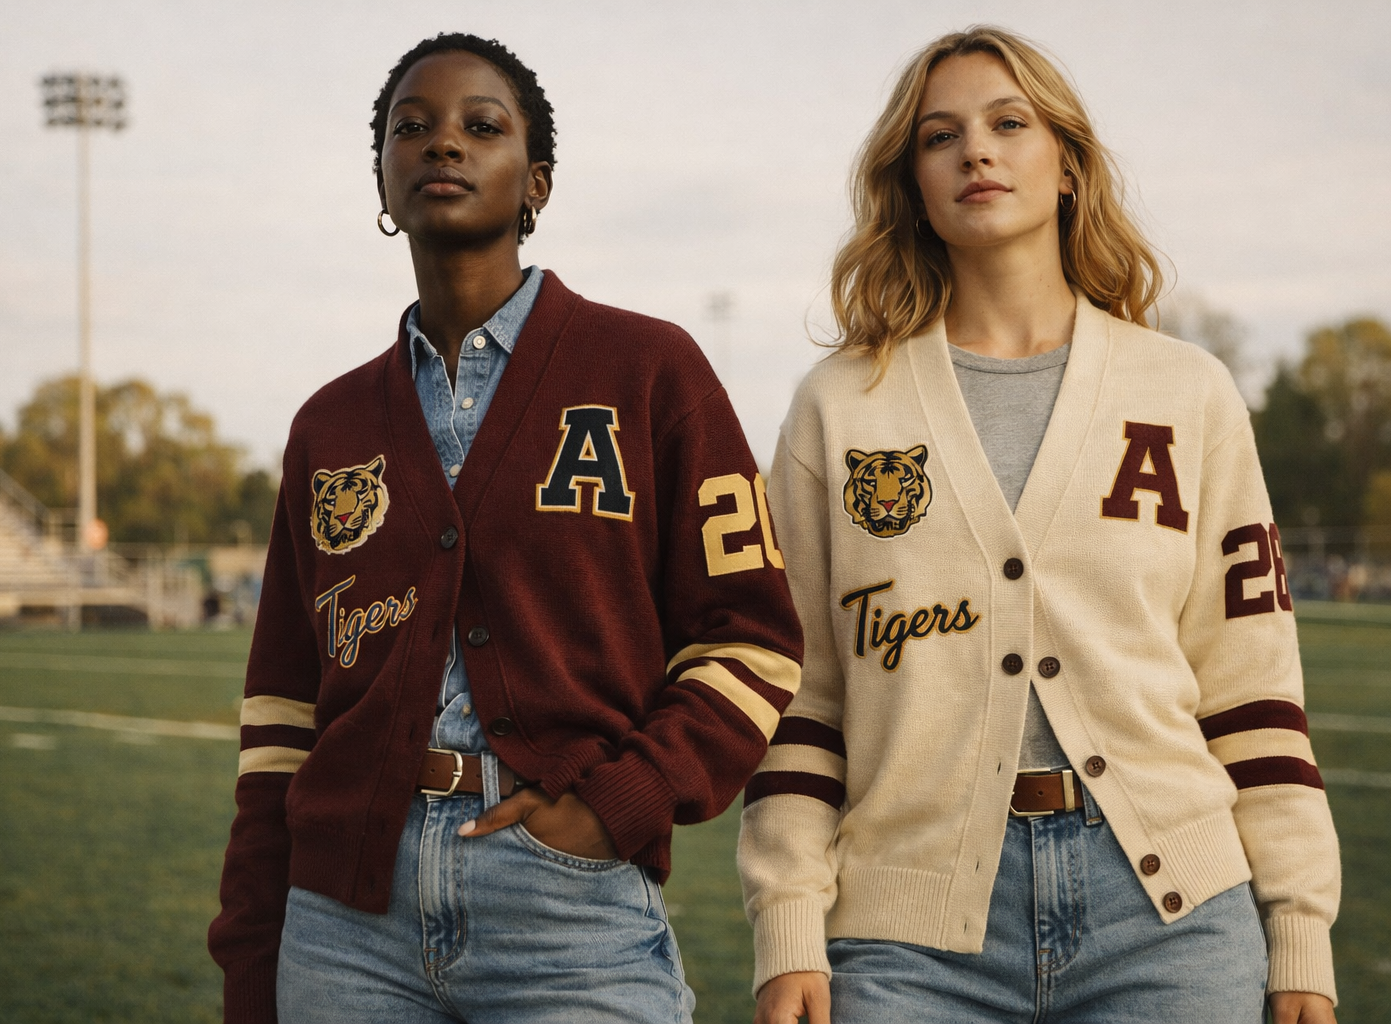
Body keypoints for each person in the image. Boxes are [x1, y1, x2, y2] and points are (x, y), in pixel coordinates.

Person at [739, 26, 1339, 1024]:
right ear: (913, 182)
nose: (977, 150)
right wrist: (788, 921)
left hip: (1168, 918)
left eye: (1007, 123)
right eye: (942, 136)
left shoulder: (1187, 393)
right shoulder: (840, 406)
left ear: (1065, 163)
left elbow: (1254, 686)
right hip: (906, 930)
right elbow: (800, 697)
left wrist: (1300, 937)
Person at [207, 32, 802, 1024]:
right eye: (413, 128)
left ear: (537, 185)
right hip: (345, 924)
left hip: (566, 907)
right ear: (383, 183)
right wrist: (250, 957)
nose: (443, 144)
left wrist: (623, 801)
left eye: (480, 127)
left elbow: (752, 637)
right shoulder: (330, 423)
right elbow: (281, 715)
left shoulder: (650, 371)